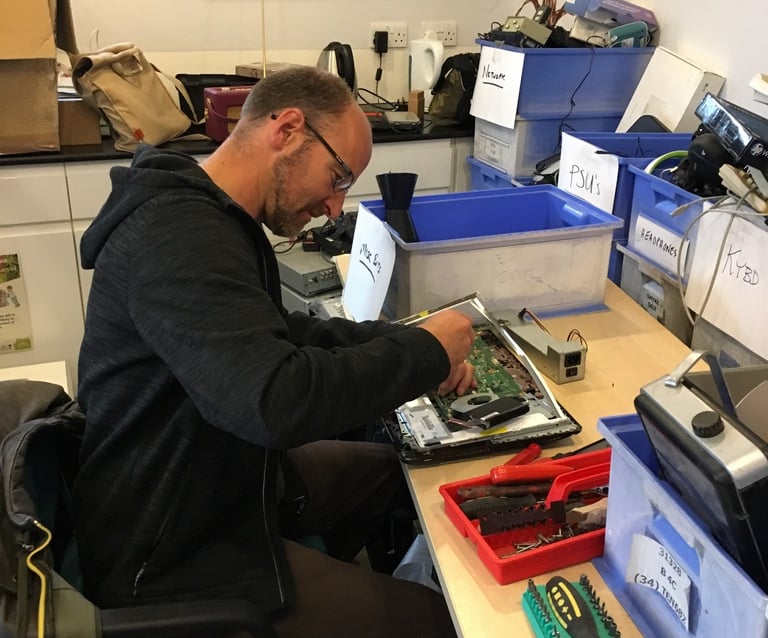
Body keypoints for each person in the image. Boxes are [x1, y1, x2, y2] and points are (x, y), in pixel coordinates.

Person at [74, 65, 477, 638]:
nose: (336, 207)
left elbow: (282, 335)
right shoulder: (176, 236)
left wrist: (409, 341)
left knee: (391, 474)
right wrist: (424, 354)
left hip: (228, 480)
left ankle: (325, 585)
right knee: (436, 620)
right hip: (171, 544)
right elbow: (275, 401)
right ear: (287, 129)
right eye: (338, 176)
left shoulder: (212, 217)